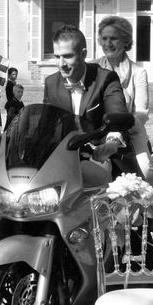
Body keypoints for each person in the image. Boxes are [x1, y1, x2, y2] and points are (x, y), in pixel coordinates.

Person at [43, 25, 129, 187]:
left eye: (67, 56)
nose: (61, 64)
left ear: (83, 54)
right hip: (63, 156)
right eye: (57, 56)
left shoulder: (106, 78)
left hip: (98, 154)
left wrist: (111, 143)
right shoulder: (51, 83)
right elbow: (47, 124)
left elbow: (117, 111)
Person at [95, 16, 153, 187]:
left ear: (125, 41)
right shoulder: (92, 68)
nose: (108, 43)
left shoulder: (138, 72)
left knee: (147, 170)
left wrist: (119, 132)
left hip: (131, 129)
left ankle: (148, 209)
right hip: (98, 131)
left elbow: (142, 112)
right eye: (104, 38)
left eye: (113, 38)